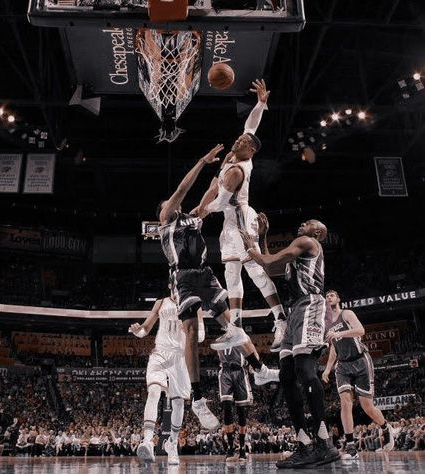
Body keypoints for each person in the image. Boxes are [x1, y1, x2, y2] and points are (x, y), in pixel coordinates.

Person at [157, 145, 279, 431]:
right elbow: (183, 189)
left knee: (232, 326)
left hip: (205, 275)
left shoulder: (192, 218)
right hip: (183, 277)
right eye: (170, 204)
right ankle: (198, 399)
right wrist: (201, 160)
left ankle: (259, 370)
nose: (174, 205)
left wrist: (222, 171)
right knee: (190, 331)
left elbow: (208, 198)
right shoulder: (166, 220)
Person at [192, 79, 287, 352]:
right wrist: (260, 103)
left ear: (251, 150)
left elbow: (220, 203)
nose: (238, 139)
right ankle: (235, 327)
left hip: (240, 219)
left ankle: (280, 320)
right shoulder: (236, 155)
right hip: (231, 222)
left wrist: (201, 212)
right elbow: (251, 127)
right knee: (231, 273)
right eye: (239, 138)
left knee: (255, 272)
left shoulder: (238, 169)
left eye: (243, 142)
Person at [240, 215, 340, 468]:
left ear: (317, 233)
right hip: (295, 310)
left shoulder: (307, 242)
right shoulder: (297, 252)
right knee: (286, 376)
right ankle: (304, 445)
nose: (301, 225)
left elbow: (269, 259)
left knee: (305, 371)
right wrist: (263, 238)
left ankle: (324, 442)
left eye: (308, 223)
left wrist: (250, 245)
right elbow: (271, 268)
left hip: (310, 305)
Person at [322, 289, 394, 458]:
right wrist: (327, 368)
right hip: (343, 365)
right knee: (345, 402)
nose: (329, 298)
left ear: (338, 299)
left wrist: (339, 333)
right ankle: (350, 445)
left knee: (367, 407)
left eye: (332, 295)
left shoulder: (346, 313)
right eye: (326, 296)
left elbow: (361, 330)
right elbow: (333, 347)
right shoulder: (327, 324)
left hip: (361, 360)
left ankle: (385, 427)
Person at [129, 294, 191, 464]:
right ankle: (147, 441)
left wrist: (189, 329)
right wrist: (137, 331)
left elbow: (200, 335)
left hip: (180, 356)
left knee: (178, 402)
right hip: (160, 353)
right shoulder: (161, 302)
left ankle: (172, 444)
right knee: (154, 391)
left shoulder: (193, 301)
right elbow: (145, 329)